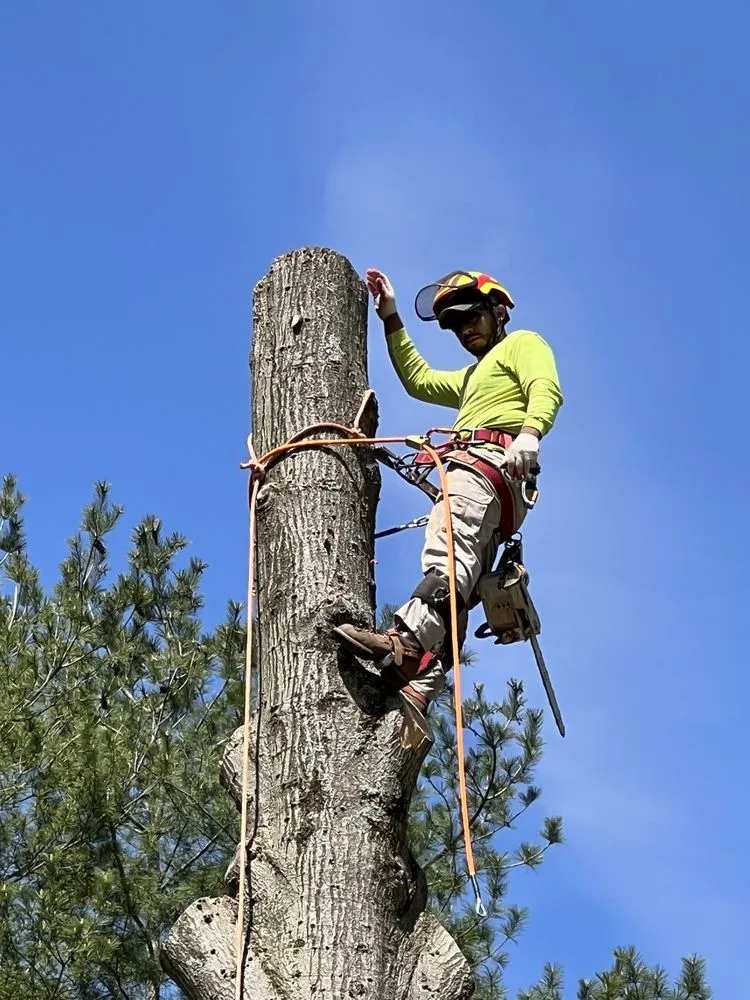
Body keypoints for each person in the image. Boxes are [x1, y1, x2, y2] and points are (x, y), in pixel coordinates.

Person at [333, 268, 564, 746]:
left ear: (498, 311)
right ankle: (421, 683)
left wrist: (529, 433)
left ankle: (407, 645)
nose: (465, 330)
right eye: (456, 326)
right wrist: (391, 318)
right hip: (485, 480)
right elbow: (419, 380)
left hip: (488, 465)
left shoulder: (521, 343)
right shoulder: (474, 376)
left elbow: (545, 386)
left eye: (472, 317)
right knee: (461, 579)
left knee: (448, 555)